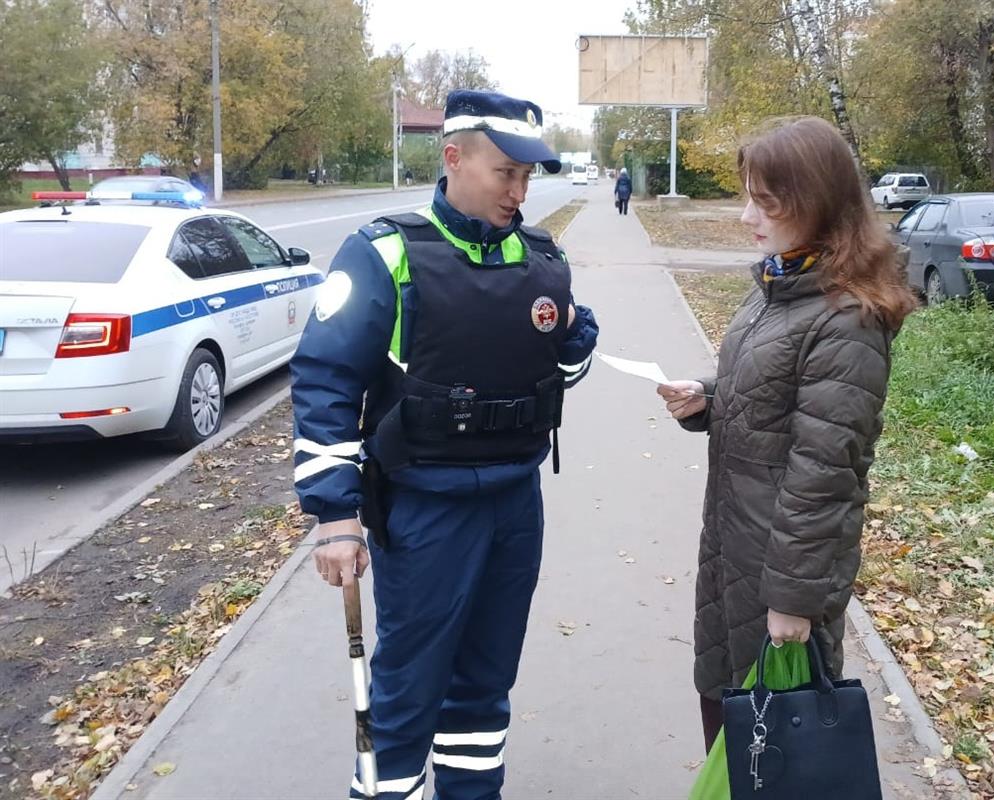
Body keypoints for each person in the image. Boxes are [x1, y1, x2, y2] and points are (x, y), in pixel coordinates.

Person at [291, 89, 599, 800]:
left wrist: (578, 341)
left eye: (529, 177)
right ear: (454, 157)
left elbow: (558, 376)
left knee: (485, 685)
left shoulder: (544, 261)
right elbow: (325, 381)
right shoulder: (386, 253)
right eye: (506, 174)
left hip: (516, 504)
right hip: (426, 510)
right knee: (407, 687)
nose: (520, 193)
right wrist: (335, 519)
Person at [656, 116, 916, 754]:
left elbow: (824, 474)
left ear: (818, 205)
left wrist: (794, 604)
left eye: (766, 202)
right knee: (728, 711)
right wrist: (709, 397)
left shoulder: (846, 317)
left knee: (777, 746)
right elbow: (772, 392)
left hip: (781, 567)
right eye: (750, 196)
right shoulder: (780, 285)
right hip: (734, 542)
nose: (748, 215)